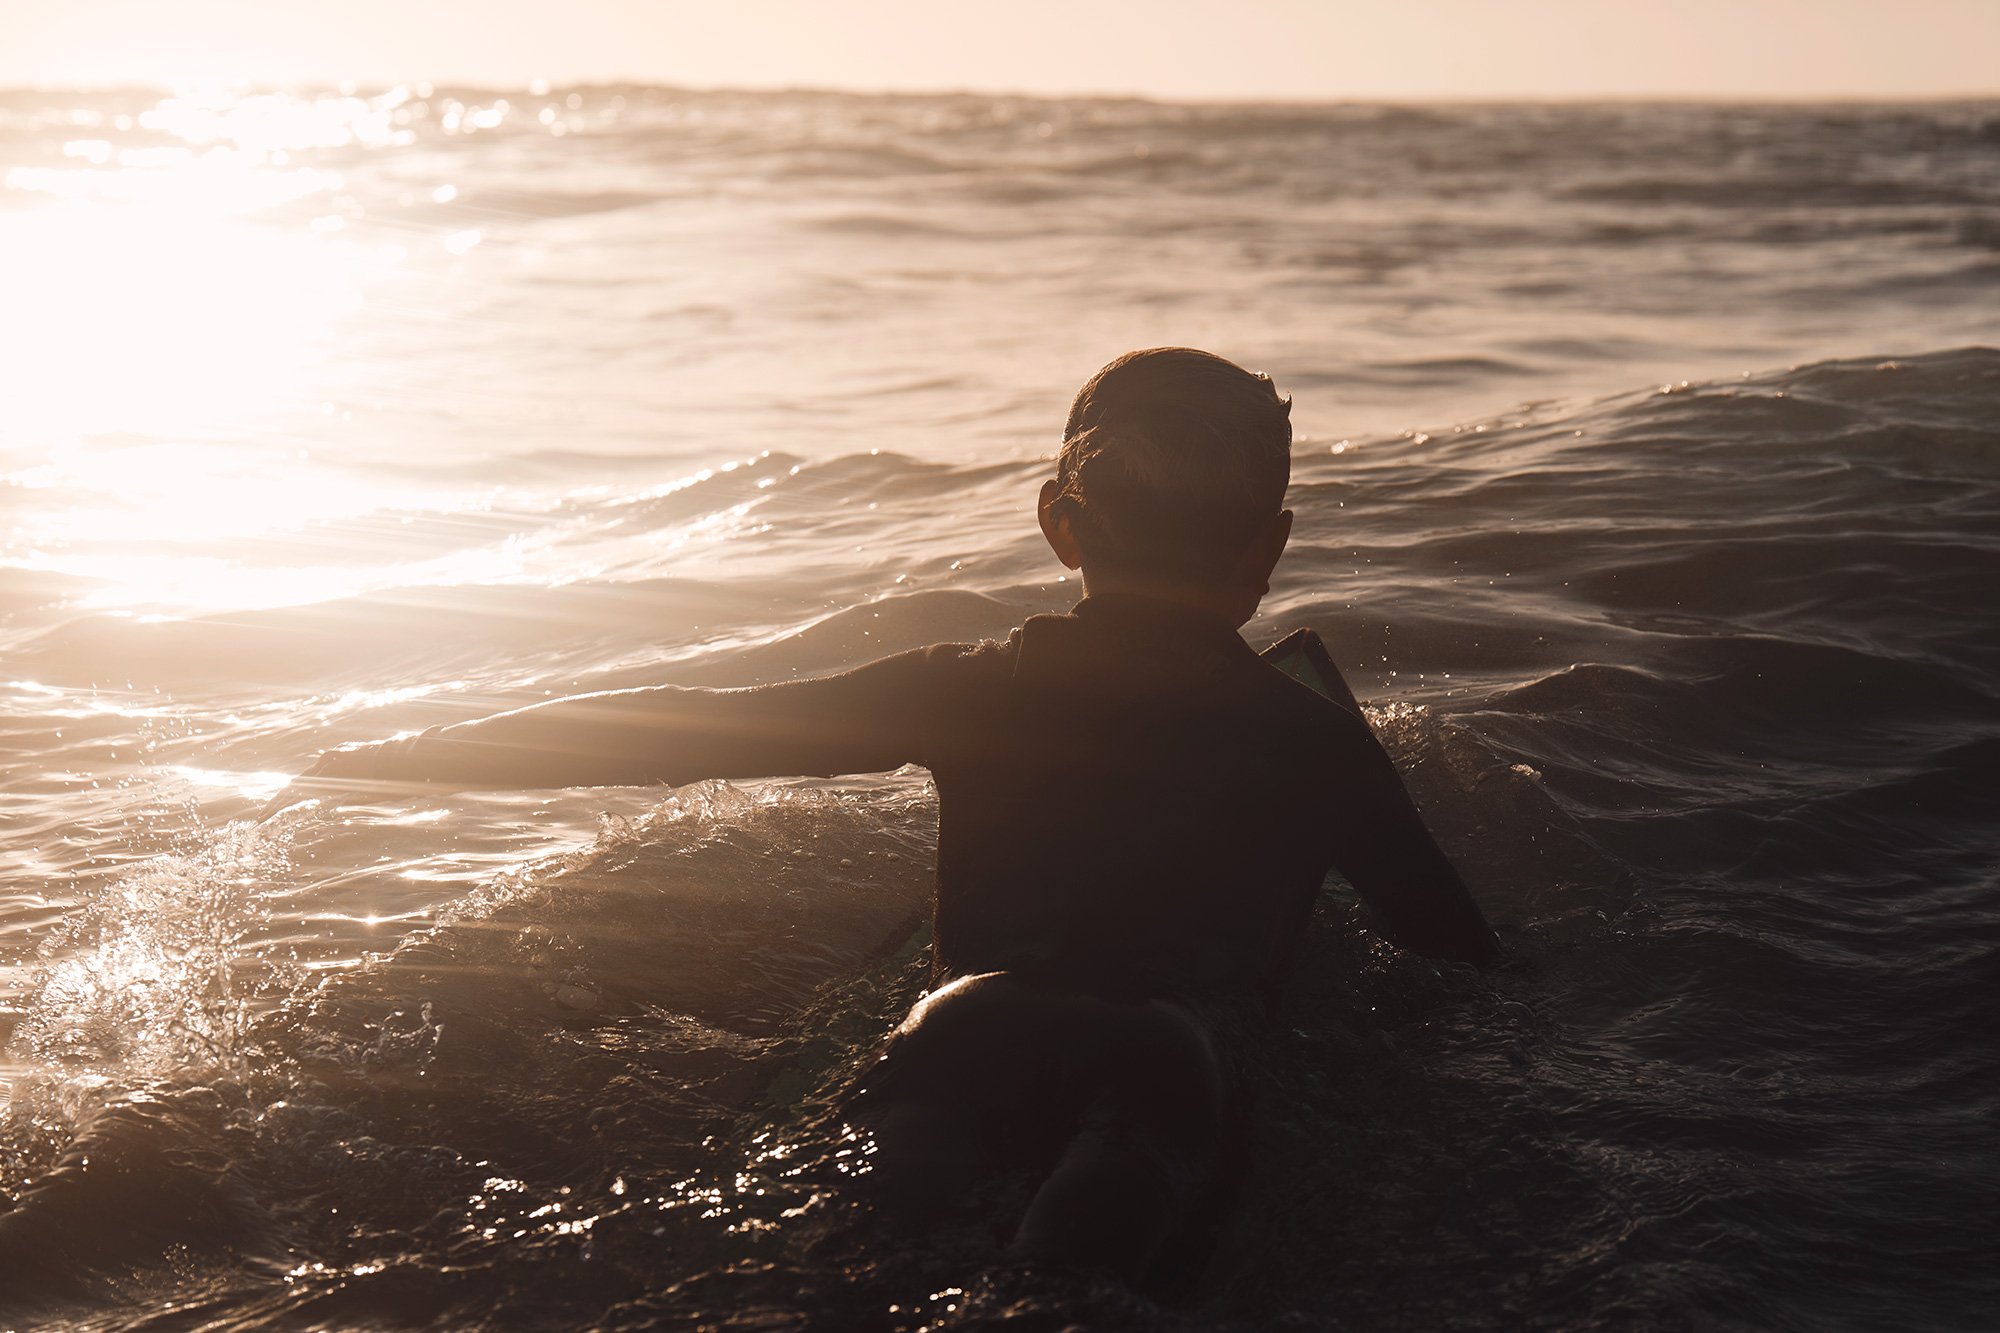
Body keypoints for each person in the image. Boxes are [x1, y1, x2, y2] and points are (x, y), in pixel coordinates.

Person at [270, 347, 1498, 1290]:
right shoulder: (1310, 739)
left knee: (846, 1262)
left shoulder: (971, 684)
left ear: (1056, 522)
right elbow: (1453, 951)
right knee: (1074, 1276)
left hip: (962, 1022)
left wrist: (388, 751)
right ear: (1266, 551)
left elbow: (682, 725)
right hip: (1171, 1050)